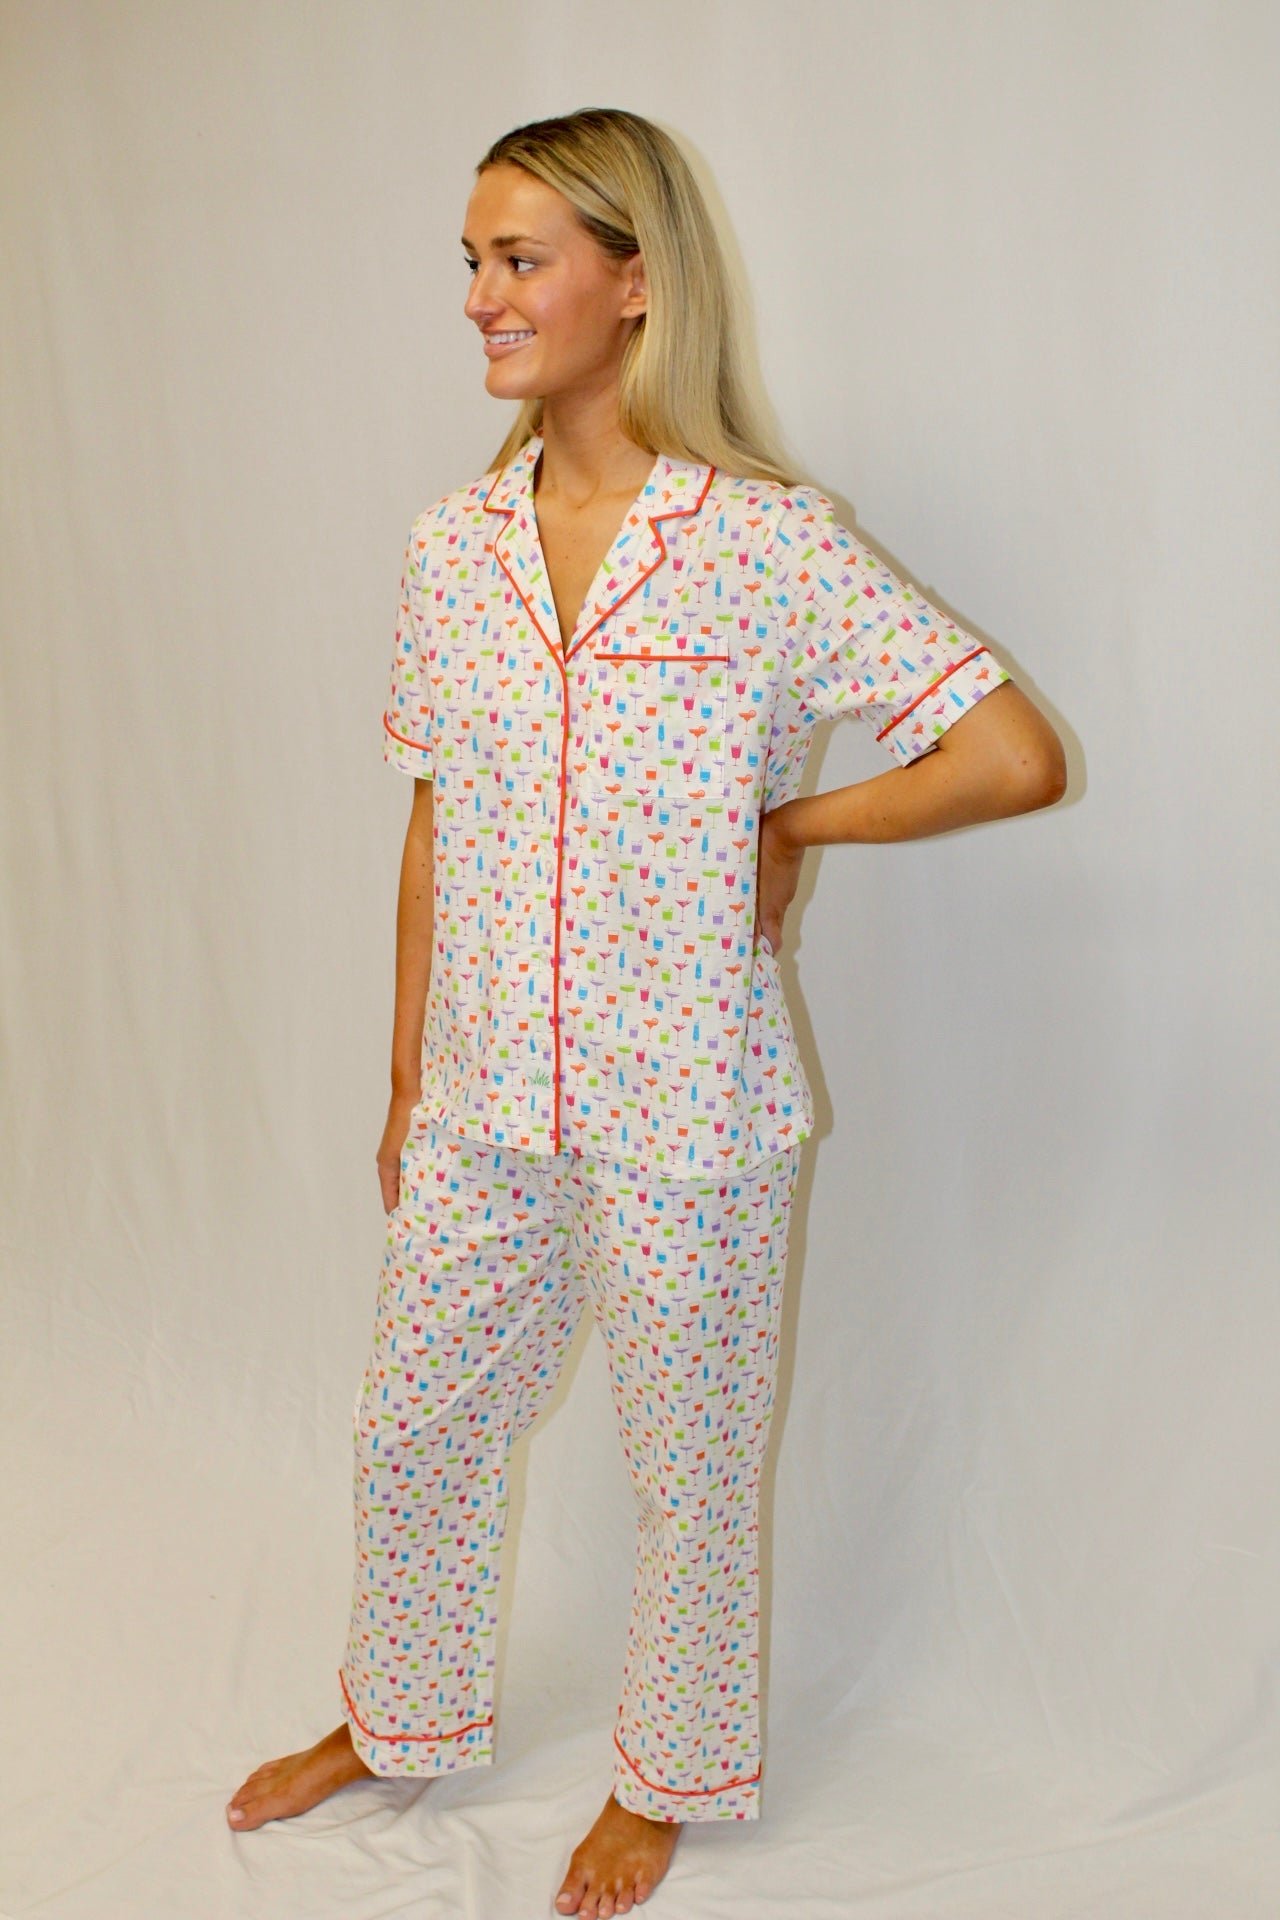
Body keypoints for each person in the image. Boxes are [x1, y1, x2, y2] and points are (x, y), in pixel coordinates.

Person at [225, 107, 1066, 1916]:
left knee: (691, 1470)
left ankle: (666, 1775)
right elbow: (434, 822)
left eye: (518, 259)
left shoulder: (764, 543)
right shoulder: (452, 548)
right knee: (415, 1426)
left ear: (634, 280)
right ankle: (396, 1716)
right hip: (482, 1096)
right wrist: (407, 1081)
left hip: (690, 1104)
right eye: (472, 260)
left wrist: (791, 824)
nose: (480, 295)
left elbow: (1011, 755)